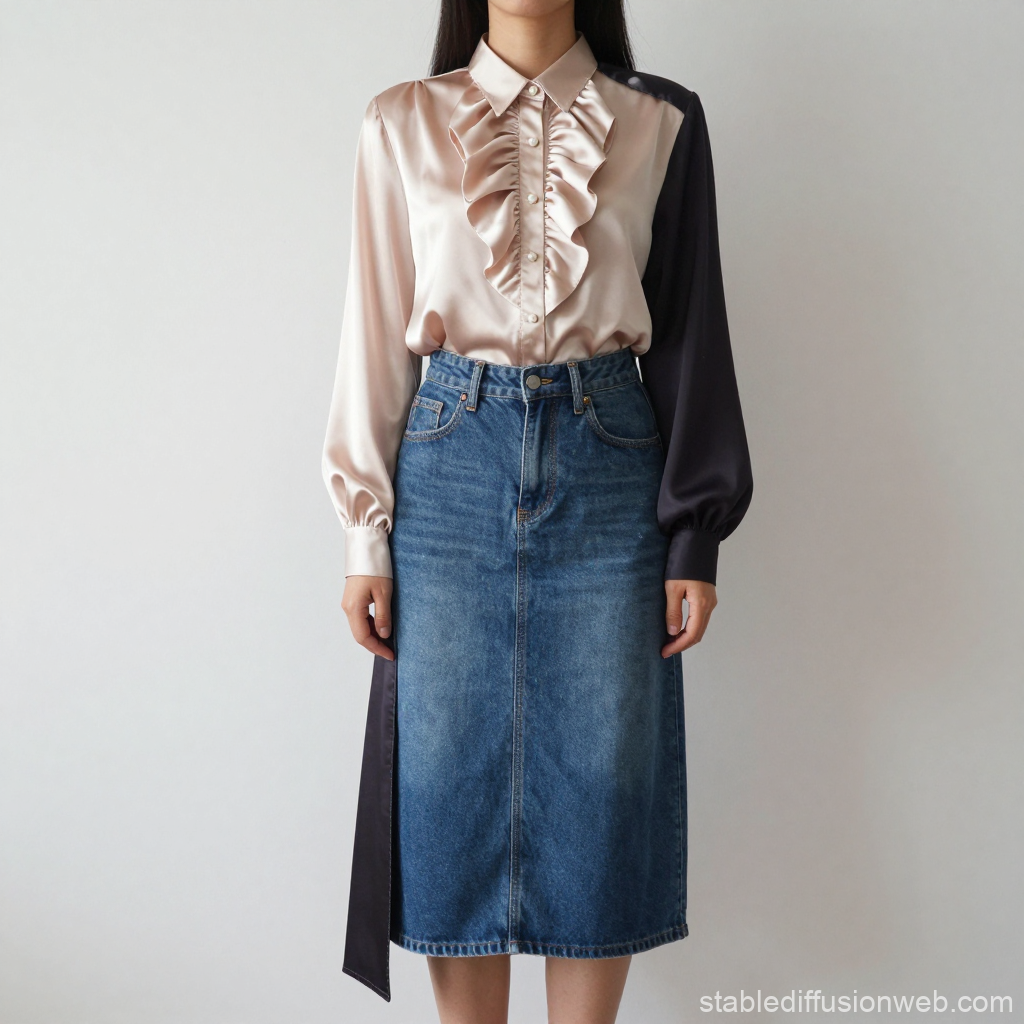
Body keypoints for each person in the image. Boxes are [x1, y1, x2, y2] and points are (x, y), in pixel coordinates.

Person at [321, 0, 753, 1020]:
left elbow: (692, 333)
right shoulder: (400, 120)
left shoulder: (660, 121)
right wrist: (363, 534)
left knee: (602, 791)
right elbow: (373, 333)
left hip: (610, 472)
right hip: (448, 474)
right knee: (449, 792)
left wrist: (694, 536)